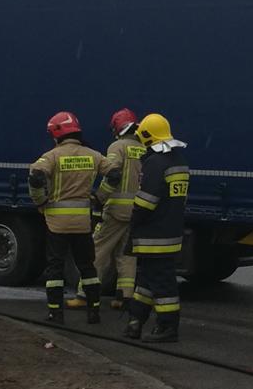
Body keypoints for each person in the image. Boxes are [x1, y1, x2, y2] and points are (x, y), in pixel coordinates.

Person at [29, 111, 107, 324]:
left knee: (55, 267)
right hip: (83, 224)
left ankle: (56, 313)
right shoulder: (94, 155)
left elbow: (35, 177)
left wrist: (40, 201)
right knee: (87, 267)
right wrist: (100, 196)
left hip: (57, 225)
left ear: (56, 134)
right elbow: (115, 174)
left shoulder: (52, 156)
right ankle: (94, 312)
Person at [125, 113, 190, 342]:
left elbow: (145, 203)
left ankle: (167, 328)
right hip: (171, 233)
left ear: (146, 136)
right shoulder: (178, 160)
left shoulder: (155, 163)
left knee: (163, 285)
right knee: (146, 282)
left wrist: (132, 222)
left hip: (153, 236)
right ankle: (135, 322)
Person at [89, 108, 143, 310]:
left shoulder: (117, 146)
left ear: (118, 128)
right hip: (137, 210)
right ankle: (124, 297)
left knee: (98, 250)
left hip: (116, 210)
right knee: (127, 255)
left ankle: (86, 294)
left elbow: (112, 175)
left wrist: (99, 197)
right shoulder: (143, 147)